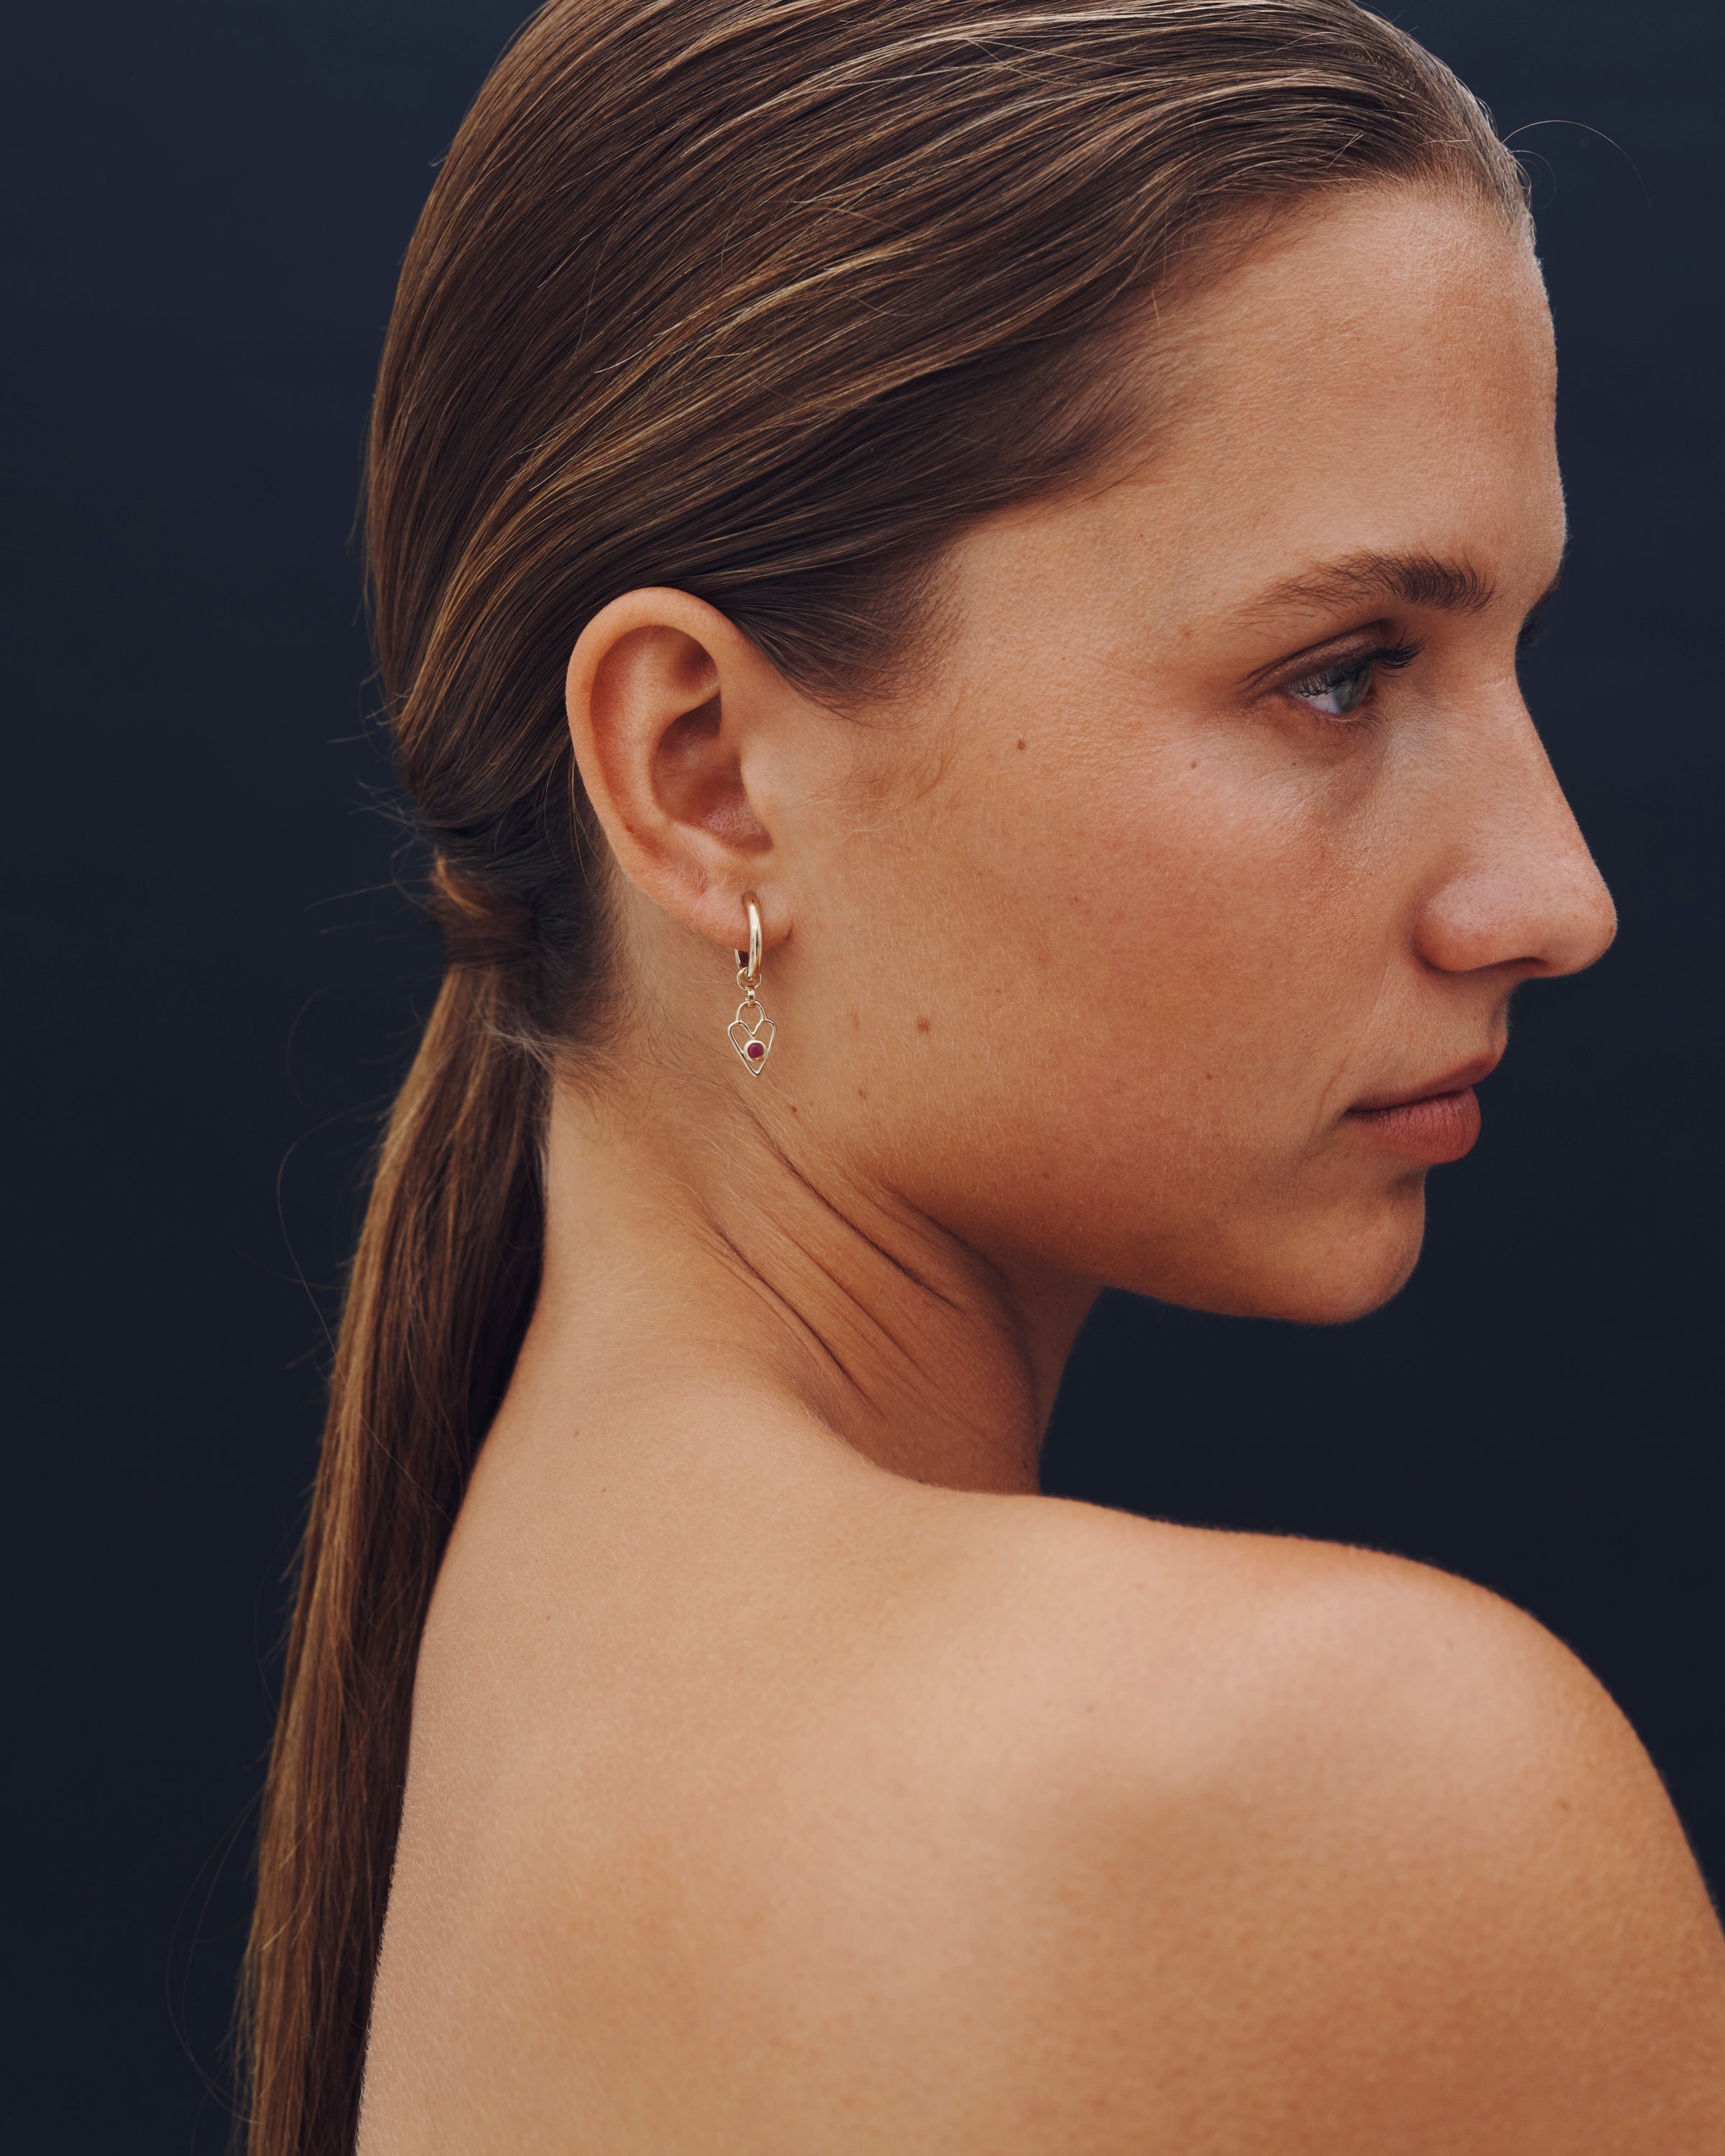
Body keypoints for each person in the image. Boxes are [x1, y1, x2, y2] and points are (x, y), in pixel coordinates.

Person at [241, 2, 1725, 2149]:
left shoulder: (499, 1722)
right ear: (707, 773)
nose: (1551, 894)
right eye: (1338, 673)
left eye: (1506, 652)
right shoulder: (1326, 1783)